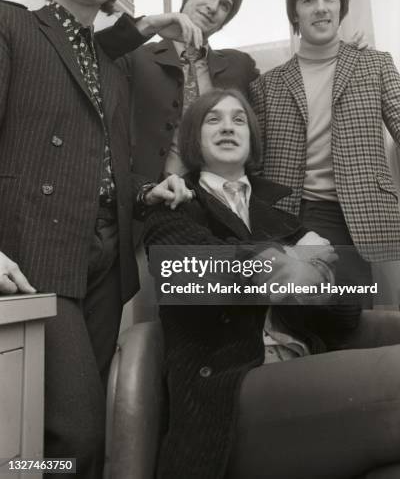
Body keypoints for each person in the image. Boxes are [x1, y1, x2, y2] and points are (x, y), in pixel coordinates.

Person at [0, 0, 195, 478]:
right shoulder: (13, 27)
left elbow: (106, 167)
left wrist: (148, 193)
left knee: (65, 435)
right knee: (76, 431)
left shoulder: (111, 68)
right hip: (36, 256)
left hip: (107, 266)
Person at [143, 88, 400, 479]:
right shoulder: (174, 209)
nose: (228, 126)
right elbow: (206, 279)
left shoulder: (281, 218)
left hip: (302, 370)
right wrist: (294, 261)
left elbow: (346, 311)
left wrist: (306, 277)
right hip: (228, 397)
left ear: (252, 139)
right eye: (213, 119)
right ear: (194, 138)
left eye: (238, 119)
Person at [250, 0, 400, 278]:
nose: (321, 7)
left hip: (360, 217)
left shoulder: (375, 64)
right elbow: (254, 168)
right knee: (296, 320)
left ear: (341, 6)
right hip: (291, 217)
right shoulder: (266, 85)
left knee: (351, 316)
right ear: (295, 12)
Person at [96, 0, 259, 180]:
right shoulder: (138, 57)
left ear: (224, 22)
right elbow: (92, 55)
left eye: (224, 5)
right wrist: (149, 25)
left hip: (216, 196)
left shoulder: (240, 66)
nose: (212, 7)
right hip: (152, 194)